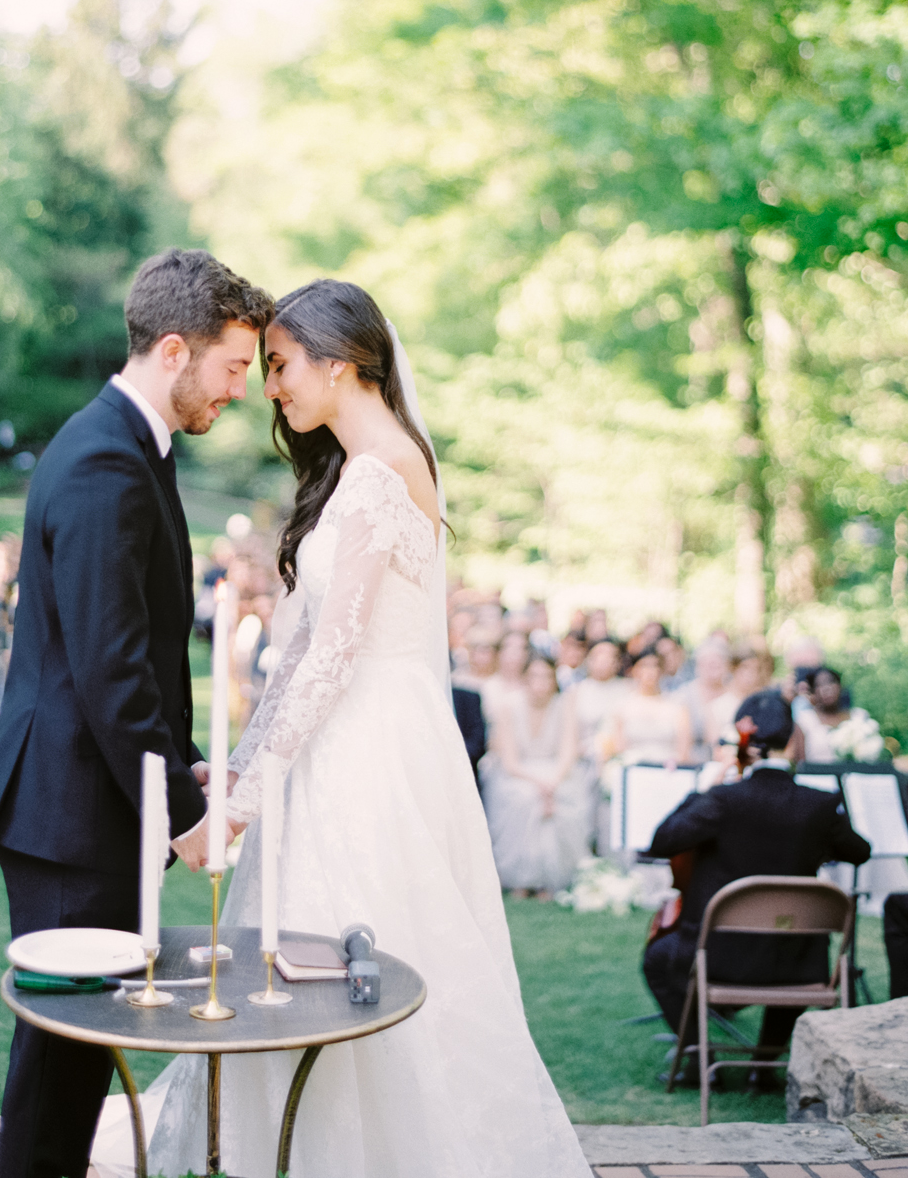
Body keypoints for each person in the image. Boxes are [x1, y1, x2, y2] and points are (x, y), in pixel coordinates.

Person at [148, 278, 591, 1178]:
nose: (271, 386)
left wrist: (246, 797)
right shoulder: (358, 469)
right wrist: (238, 771)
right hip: (334, 736)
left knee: (368, 952)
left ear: (341, 362)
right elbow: (303, 648)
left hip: (371, 749)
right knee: (301, 954)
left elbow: (335, 655)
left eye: (280, 364)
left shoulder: (386, 471)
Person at [0, 248, 273, 1178]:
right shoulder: (105, 460)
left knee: (74, 1060)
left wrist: (180, 764)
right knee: (59, 1061)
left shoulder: (133, 444)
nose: (239, 392)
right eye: (233, 367)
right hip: (68, 812)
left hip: (90, 793)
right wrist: (186, 819)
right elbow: (109, 672)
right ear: (176, 351)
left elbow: (133, 648)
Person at [644, 691, 870, 1085]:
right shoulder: (818, 805)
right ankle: (764, 1065)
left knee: (658, 959)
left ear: (743, 741)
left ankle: (700, 1060)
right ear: (792, 740)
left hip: (718, 956)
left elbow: (662, 841)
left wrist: (703, 787)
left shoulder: (722, 800)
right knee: (795, 943)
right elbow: (860, 852)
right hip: (797, 963)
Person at [482, 651, 588, 895]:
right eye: (534, 676)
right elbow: (509, 762)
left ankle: (550, 880)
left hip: (556, 773)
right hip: (518, 774)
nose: (540, 683)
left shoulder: (565, 705)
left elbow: (568, 753)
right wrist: (540, 784)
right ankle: (519, 879)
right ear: (525, 678)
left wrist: (552, 782)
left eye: (546, 677)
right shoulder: (508, 705)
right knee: (524, 798)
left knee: (564, 796)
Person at [608, 646, 693, 765]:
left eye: (655, 666)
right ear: (634, 670)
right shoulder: (623, 706)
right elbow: (619, 749)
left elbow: (684, 751)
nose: (650, 671)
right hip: (634, 770)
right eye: (644, 666)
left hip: (669, 772)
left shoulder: (677, 705)